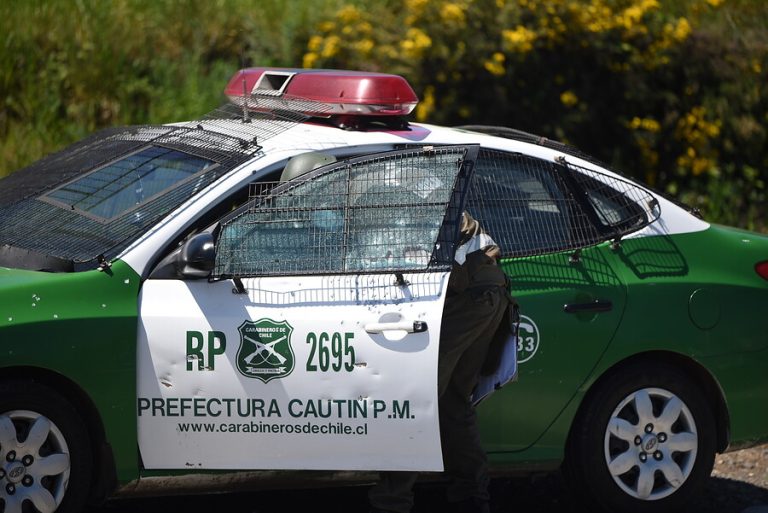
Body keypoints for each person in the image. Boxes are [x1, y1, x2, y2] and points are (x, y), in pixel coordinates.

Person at [369, 211, 513, 513]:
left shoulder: (392, 200)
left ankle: (391, 502)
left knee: (413, 400)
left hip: (466, 295)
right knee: (451, 400)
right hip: (487, 292)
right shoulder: (418, 191)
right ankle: (472, 496)